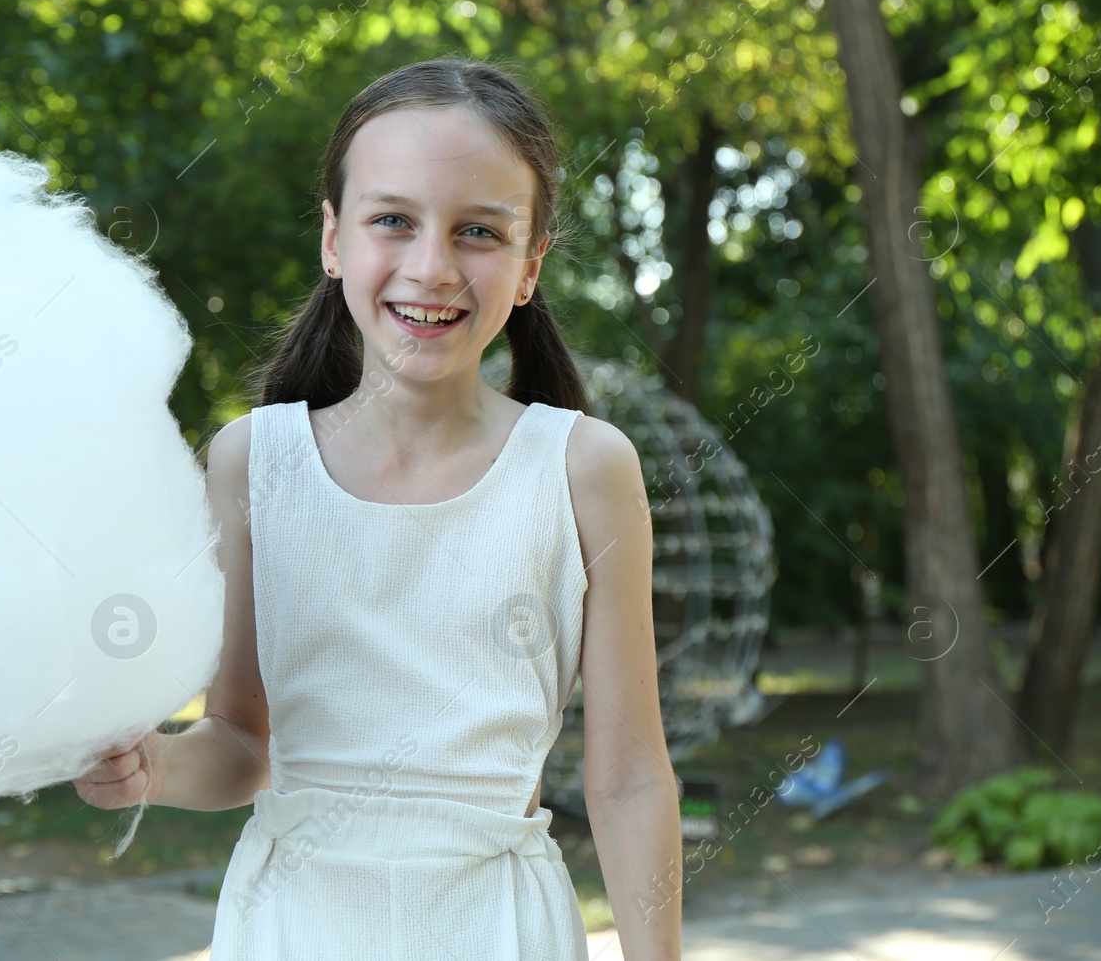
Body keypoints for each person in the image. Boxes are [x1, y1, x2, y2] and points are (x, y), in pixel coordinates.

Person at [75, 56, 682, 960]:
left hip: (501, 929)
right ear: (333, 240)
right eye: (392, 220)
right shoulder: (252, 463)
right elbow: (243, 741)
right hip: (293, 923)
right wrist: (152, 766)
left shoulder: (584, 468)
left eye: (479, 231)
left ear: (529, 266)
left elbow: (631, 778)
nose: (431, 267)